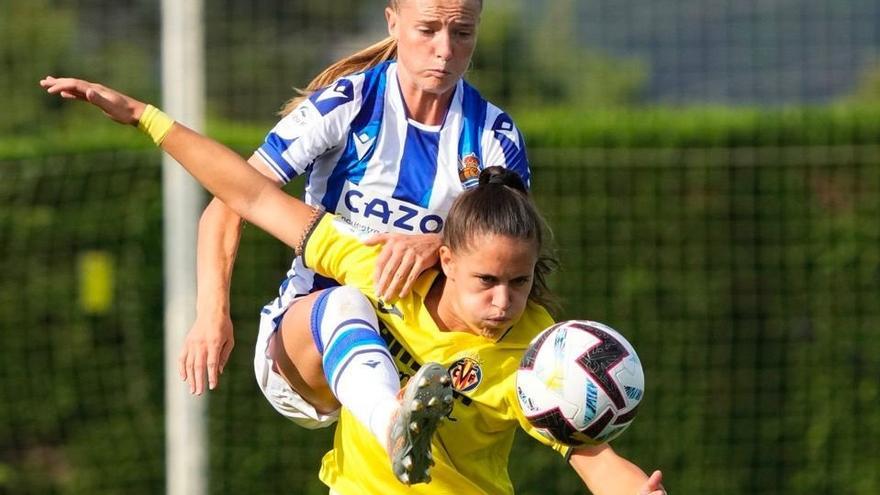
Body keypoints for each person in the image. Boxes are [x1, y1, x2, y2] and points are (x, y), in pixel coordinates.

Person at [40, 77, 666, 495]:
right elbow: (251, 194)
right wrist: (146, 117)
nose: (504, 301)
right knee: (339, 303)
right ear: (441, 259)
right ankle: (391, 416)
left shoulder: (535, 351)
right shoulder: (382, 268)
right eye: (487, 281)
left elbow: (589, 454)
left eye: (519, 282)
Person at [181, 0, 531, 404]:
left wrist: (437, 245)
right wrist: (211, 314)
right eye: (428, 30)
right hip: (309, 343)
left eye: (462, 33)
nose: (446, 49)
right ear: (393, 22)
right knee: (346, 303)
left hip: (424, 362)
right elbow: (229, 201)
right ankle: (391, 420)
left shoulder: (494, 135)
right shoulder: (347, 103)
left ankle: (398, 422)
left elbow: (511, 251)